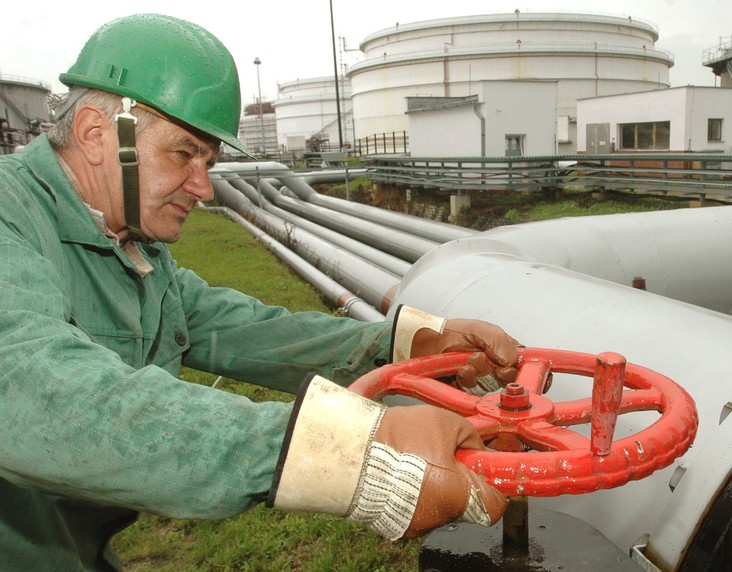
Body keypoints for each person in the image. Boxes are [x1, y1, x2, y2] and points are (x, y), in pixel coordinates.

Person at [0, 13, 521, 571]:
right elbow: (31, 388)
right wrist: (343, 453)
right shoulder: (11, 213)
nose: (203, 188)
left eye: (209, 161)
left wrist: (402, 344)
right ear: (95, 134)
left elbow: (242, 328)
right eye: (183, 153)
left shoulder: (128, 242)